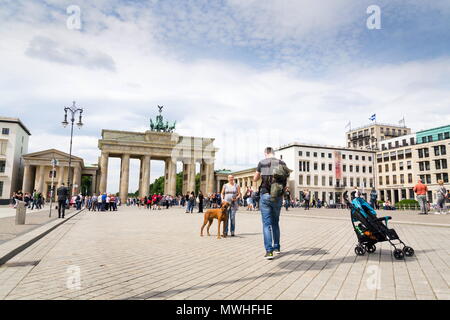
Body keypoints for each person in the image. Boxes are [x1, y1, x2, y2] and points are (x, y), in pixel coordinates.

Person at [254, 147, 290, 260]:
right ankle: (277, 247)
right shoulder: (282, 163)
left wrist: (259, 175)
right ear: (274, 153)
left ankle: (269, 252)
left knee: (266, 224)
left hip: (265, 194)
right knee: (275, 222)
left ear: (266, 153)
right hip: (277, 196)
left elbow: (255, 178)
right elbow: (286, 182)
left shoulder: (262, 162)